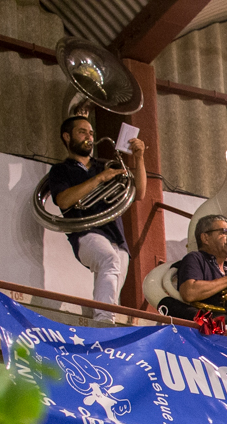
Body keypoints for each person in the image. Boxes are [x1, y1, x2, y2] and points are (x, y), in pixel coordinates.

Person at [46, 115, 148, 322]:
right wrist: (99, 179)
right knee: (109, 261)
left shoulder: (104, 165)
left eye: (91, 133)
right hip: (86, 233)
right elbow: (64, 201)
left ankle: (101, 321)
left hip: (116, 236)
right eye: (82, 132)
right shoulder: (61, 170)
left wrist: (139, 158)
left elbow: (140, 193)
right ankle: (103, 323)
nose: (89, 137)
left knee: (111, 285)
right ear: (67, 137)